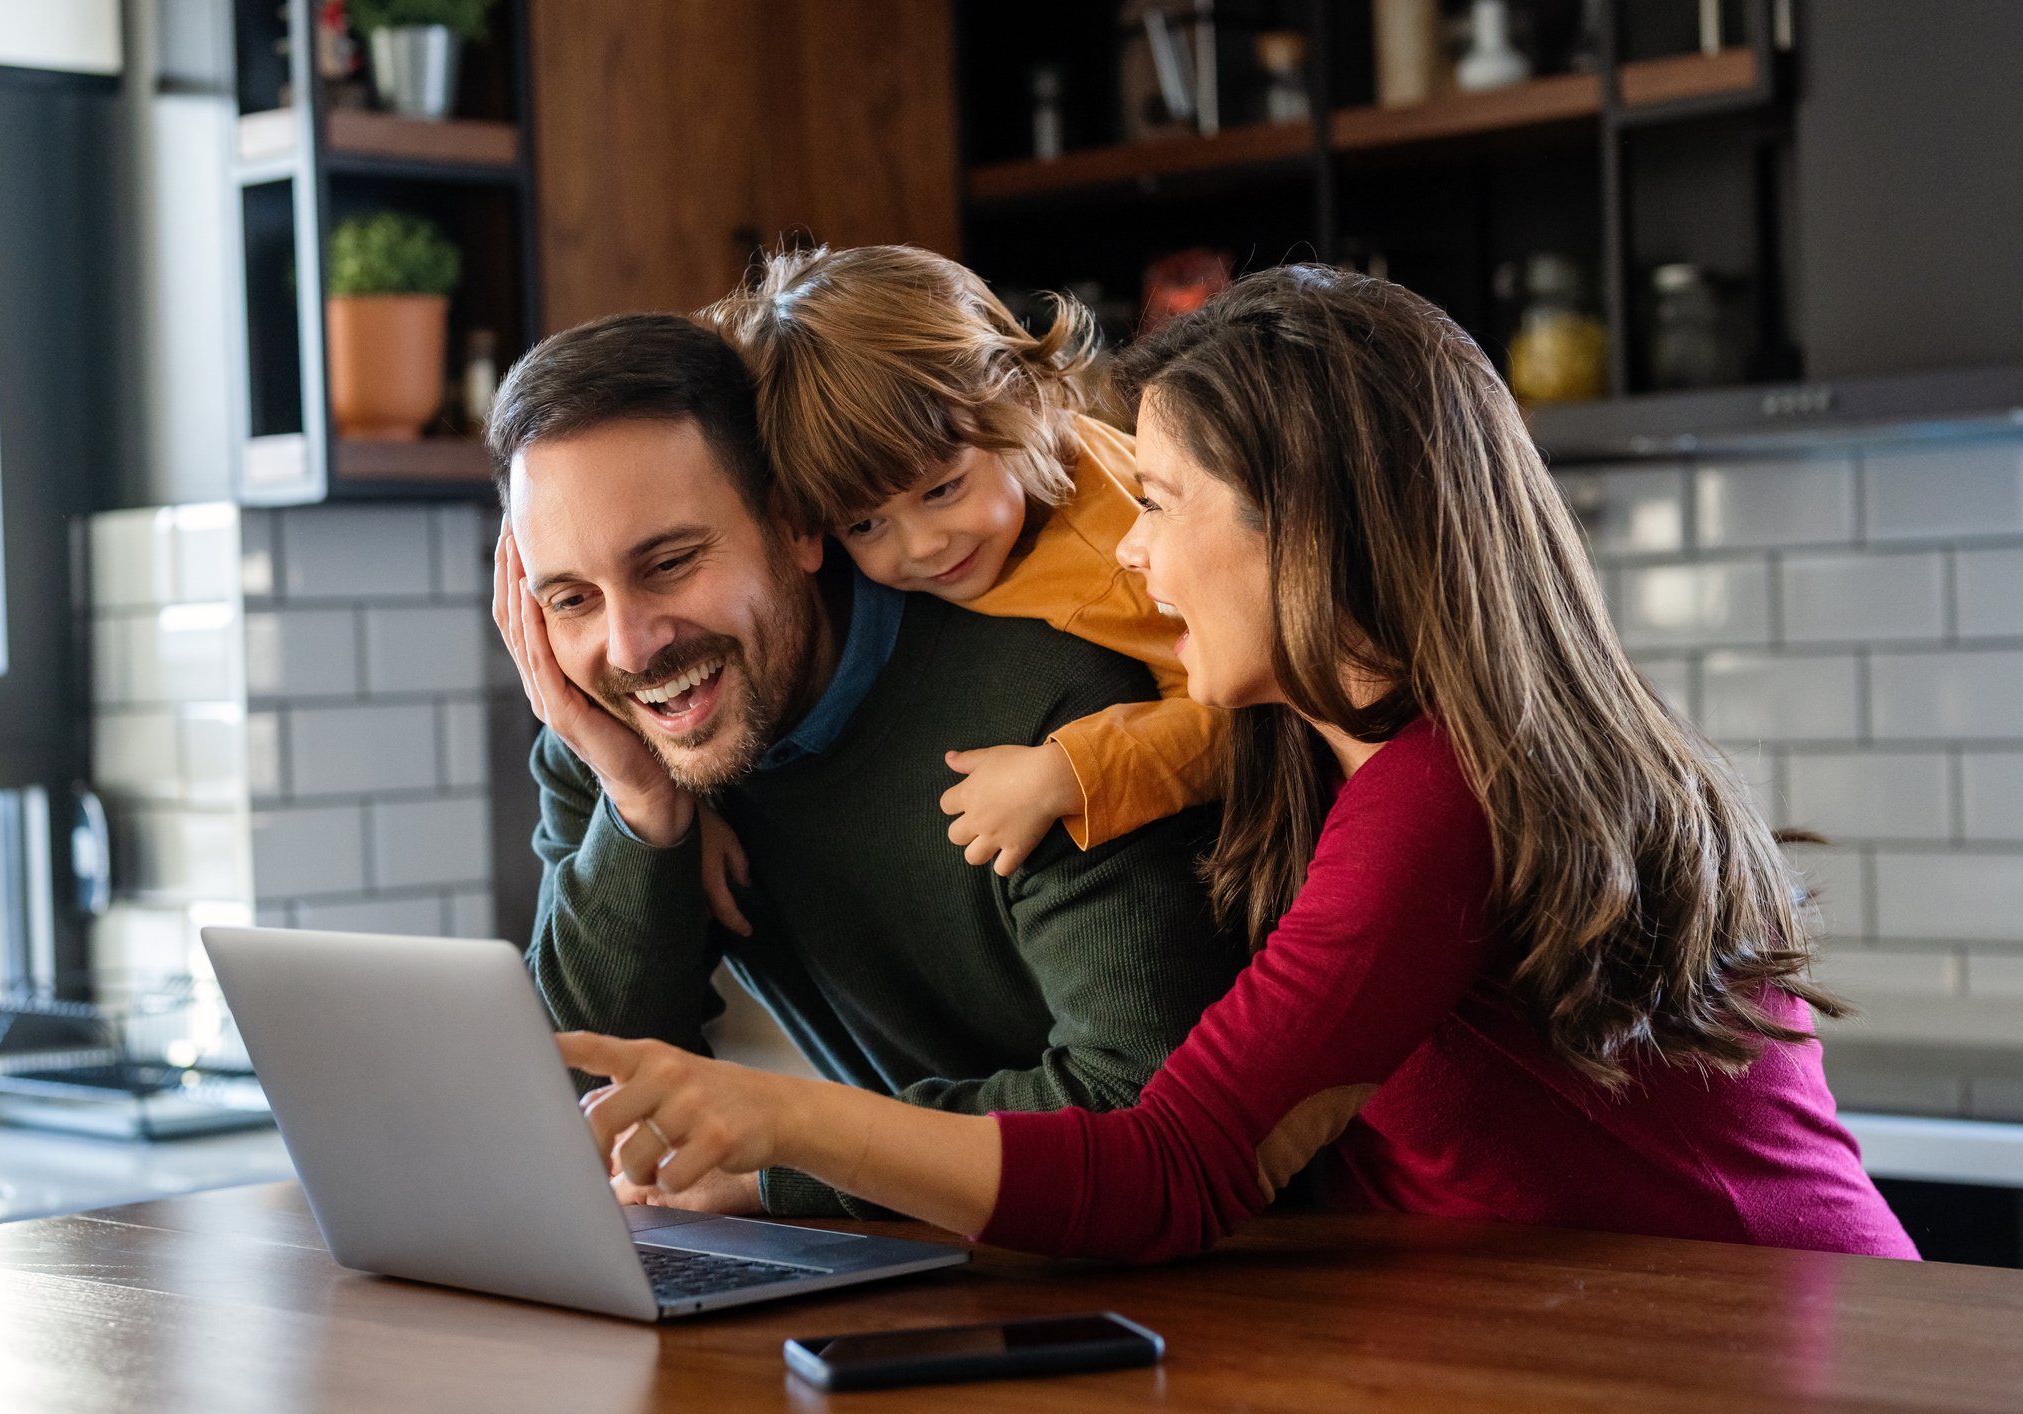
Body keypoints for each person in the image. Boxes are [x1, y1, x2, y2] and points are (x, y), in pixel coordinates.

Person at [555, 265, 1919, 1261]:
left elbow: (1168, 1169)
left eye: (1156, 501)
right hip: (1540, 1326)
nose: (1129, 558)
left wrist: (781, 1124)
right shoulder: (1301, 760)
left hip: (1749, 1331)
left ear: (1308, 527)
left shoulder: (1435, 805)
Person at [485, 313, 1243, 1220]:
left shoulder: (1052, 707)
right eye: (570, 599)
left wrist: (782, 1165)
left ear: (797, 528)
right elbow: (587, 1109)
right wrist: (644, 810)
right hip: (932, 1268)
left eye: (671, 563)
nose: (630, 644)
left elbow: (1139, 1108)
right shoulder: (622, 742)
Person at [693, 245, 1227, 934]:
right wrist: (696, 802)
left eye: (943, 489)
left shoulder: (1119, 562)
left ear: (1017, 397)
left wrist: (1067, 775)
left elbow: (1251, 723)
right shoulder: (969, 496)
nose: (920, 546)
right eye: (864, 524)